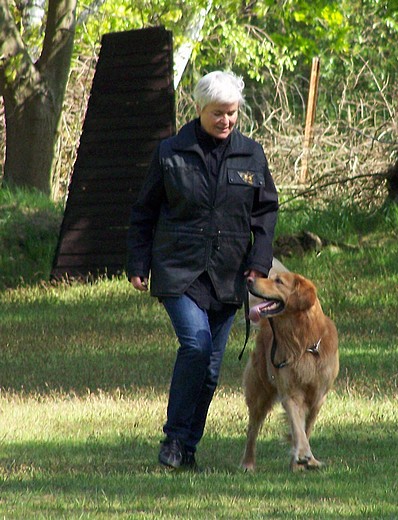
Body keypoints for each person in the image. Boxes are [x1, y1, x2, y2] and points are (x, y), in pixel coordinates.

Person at [126, 70, 279, 471]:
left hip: (228, 275)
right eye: (217, 113)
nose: (225, 121)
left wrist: (258, 266)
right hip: (178, 270)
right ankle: (173, 441)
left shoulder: (253, 155)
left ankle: (188, 448)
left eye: (232, 113)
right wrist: (138, 263)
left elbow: (265, 214)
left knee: (210, 369)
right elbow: (143, 211)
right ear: (198, 109)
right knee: (196, 346)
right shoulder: (170, 152)